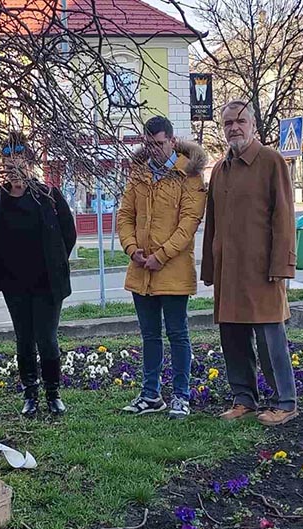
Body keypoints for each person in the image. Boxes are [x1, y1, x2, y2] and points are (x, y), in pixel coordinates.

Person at [201, 100, 298, 427]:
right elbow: (211, 223)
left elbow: (284, 217)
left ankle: (285, 402)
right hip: (229, 271)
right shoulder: (219, 169)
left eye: (240, 121)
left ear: (253, 125)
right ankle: (244, 398)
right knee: (233, 338)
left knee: (271, 340)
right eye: (228, 123)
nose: (234, 128)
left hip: (263, 271)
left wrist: (282, 266)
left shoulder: (271, 161)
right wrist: (211, 268)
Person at [0, 133, 76, 417]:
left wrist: (54, 261)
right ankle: (30, 394)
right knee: (23, 340)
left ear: (30, 165)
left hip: (46, 283)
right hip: (14, 284)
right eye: (8, 167)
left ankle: (53, 394)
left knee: (47, 340)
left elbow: (69, 234)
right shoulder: (0, 200)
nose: (14, 172)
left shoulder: (48, 196)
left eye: (19, 166)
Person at [117, 116, 207, 420]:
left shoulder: (189, 176)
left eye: (159, 143)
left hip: (173, 270)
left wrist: (161, 255)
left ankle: (181, 395)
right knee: (149, 335)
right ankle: (151, 394)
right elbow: (125, 216)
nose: (154, 149)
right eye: (149, 144)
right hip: (141, 270)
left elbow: (188, 224)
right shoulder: (139, 174)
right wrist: (132, 249)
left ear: (172, 140)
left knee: (178, 333)